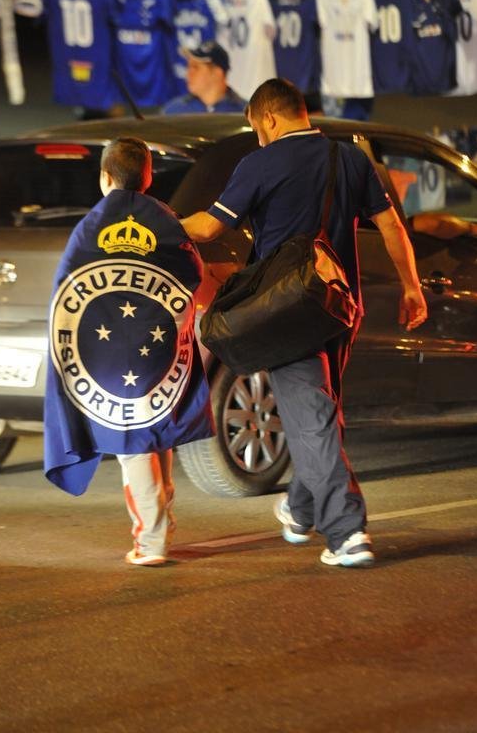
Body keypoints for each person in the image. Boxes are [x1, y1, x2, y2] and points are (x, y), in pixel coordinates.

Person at [180, 78, 428, 568]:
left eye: (256, 127)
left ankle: (346, 532)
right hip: (339, 306)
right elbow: (391, 226)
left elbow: (210, 226)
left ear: (268, 118)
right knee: (317, 411)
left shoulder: (259, 163)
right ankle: (300, 511)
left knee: (312, 419)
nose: (257, 137)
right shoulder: (349, 159)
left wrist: (155, 219)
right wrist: (412, 286)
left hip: (285, 312)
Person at [43, 137, 215, 566]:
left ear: (104, 177)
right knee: (153, 432)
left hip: (107, 357)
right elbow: (193, 275)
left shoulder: (89, 226)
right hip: (158, 349)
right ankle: (162, 526)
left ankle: (151, 541)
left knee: (130, 441)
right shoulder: (166, 221)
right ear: (149, 175)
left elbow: (66, 290)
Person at [161, 40, 247, 114]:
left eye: (195, 67)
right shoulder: (173, 111)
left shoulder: (246, 112)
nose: (188, 74)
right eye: (188, 67)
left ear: (217, 73)